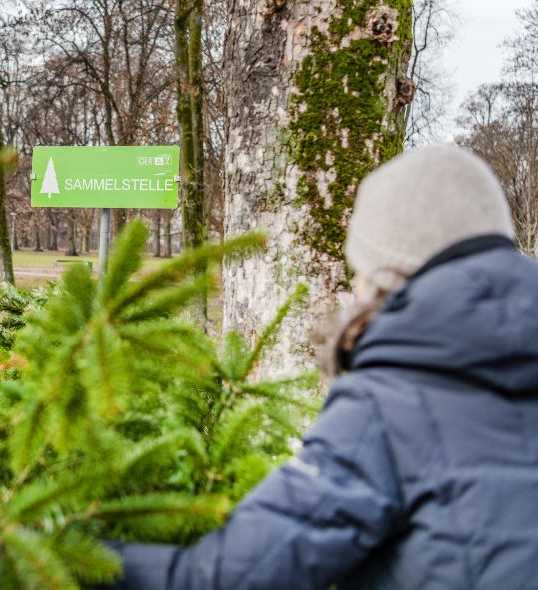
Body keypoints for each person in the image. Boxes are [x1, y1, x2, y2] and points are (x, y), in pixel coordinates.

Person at [101, 146, 538, 589]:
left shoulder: (389, 407)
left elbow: (229, 578)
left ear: (386, 276)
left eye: (359, 273)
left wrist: (68, 558)